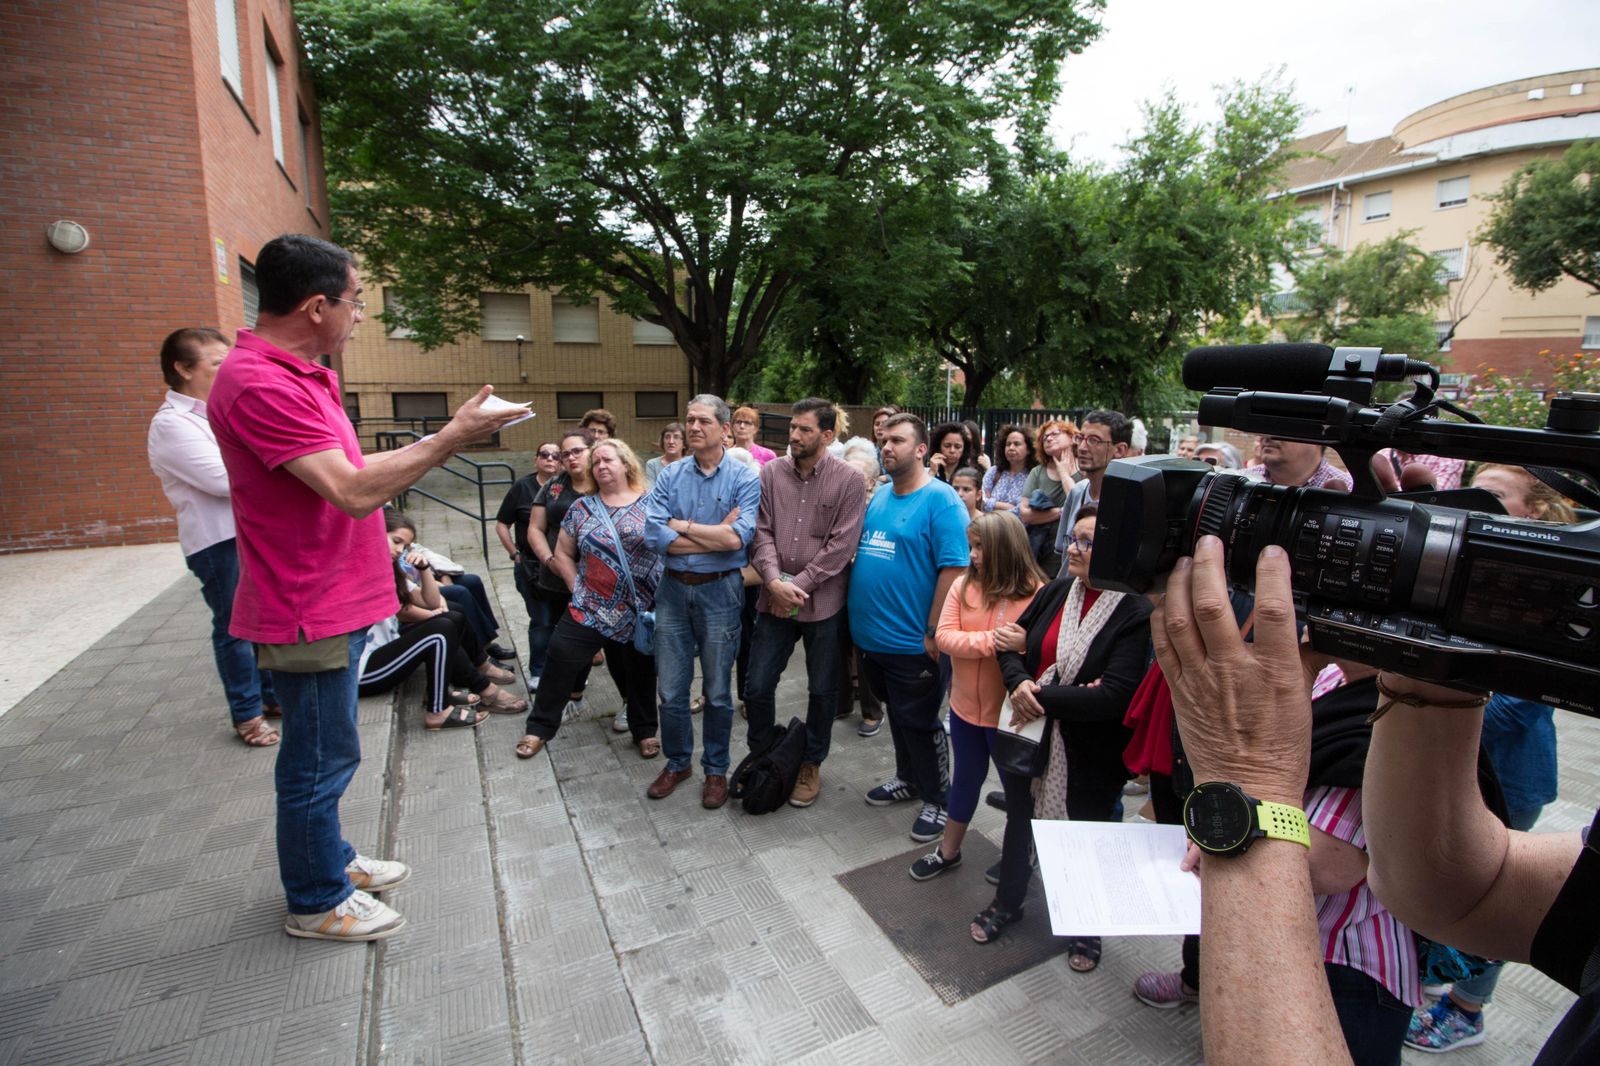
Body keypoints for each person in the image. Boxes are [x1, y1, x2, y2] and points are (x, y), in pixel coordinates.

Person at [1150, 537, 1600, 1066]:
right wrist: (1434, 680)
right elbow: (1472, 888)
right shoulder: (1332, 680)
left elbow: (1344, 865)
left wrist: (1245, 790)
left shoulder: (1349, 703)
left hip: (1350, 965)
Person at [208, 233, 526, 942]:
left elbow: (346, 472)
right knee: (321, 758)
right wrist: (451, 437)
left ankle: (333, 860)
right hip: (307, 606)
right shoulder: (259, 381)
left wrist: (445, 437)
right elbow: (352, 492)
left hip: (335, 596)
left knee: (332, 750)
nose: (360, 315)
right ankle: (317, 898)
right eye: (355, 301)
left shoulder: (300, 375)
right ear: (317, 306)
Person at [1403, 464, 1576, 1054]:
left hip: (1511, 780)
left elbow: (1514, 711)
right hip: (1460, 771)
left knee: (1488, 894)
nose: (1475, 505)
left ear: (1536, 514)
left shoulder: (1545, 592)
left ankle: (1467, 1008)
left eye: (1495, 497)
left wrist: (1426, 700)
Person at [997, 507, 1152, 966]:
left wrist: (1039, 693)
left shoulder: (1134, 611)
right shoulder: (1059, 590)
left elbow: (1115, 697)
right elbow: (1011, 643)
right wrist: (1017, 683)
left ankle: (1087, 926)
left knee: (1088, 838)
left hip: (1091, 754)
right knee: (1019, 823)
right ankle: (1006, 903)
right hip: (1034, 740)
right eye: (1073, 539)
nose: (1072, 549)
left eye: (1086, 542)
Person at [147, 326, 280, 748]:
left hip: (251, 533)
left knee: (265, 622)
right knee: (235, 629)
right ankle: (247, 715)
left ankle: (272, 696)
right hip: (218, 541)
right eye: (217, 364)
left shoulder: (219, 412)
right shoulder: (171, 424)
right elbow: (223, 480)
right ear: (183, 369)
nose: (228, 372)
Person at [910, 517, 1043, 921]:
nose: (972, 555)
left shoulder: (1040, 593)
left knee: (1018, 794)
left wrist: (1025, 645)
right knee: (966, 778)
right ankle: (948, 851)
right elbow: (945, 638)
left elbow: (1043, 649)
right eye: (971, 546)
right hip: (965, 709)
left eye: (980, 547)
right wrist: (999, 643)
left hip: (1011, 718)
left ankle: (1022, 856)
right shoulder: (962, 585)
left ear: (1005, 548)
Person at [847, 413, 970, 842]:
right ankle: (909, 779)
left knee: (920, 722)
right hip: (872, 639)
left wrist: (934, 631)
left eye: (897, 440)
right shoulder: (880, 496)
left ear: (921, 450)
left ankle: (939, 799)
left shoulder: (942, 501)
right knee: (900, 718)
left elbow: (954, 569)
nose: (887, 447)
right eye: (884, 440)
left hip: (913, 643)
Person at [744, 398, 868, 807]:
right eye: (792, 428)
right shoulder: (771, 472)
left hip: (823, 604)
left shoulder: (849, 479)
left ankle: (811, 762)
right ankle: (763, 755)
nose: (794, 436)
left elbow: (841, 545)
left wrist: (796, 586)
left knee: (822, 689)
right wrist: (775, 583)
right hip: (773, 599)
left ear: (827, 435)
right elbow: (760, 530)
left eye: (805, 430)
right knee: (757, 686)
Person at [642, 394, 762, 808]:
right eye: (689, 420)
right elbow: (654, 537)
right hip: (672, 591)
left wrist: (682, 527)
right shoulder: (670, 475)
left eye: (702, 421)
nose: (692, 427)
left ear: (724, 429)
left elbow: (737, 540)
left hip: (720, 592)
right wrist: (707, 534)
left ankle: (715, 769)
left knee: (717, 691)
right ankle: (678, 762)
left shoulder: (744, 477)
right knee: (672, 690)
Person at [516, 439, 661, 761]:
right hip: (592, 605)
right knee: (560, 655)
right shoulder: (582, 508)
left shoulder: (653, 502)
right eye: (596, 463)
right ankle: (539, 727)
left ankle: (645, 731)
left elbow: (669, 547)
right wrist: (576, 587)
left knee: (640, 670)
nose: (600, 467)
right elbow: (563, 553)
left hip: (639, 609)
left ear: (626, 463)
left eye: (607, 460)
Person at [358, 511, 525, 728]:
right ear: (375, 533)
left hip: (385, 646)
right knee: (440, 629)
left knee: (452, 615)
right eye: (396, 541)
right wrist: (433, 615)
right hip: (364, 671)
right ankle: (440, 710)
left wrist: (424, 568)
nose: (399, 550)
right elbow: (404, 610)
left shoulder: (387, 568)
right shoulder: (363, 571)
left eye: (405, 546)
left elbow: (431, 601)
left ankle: (467, 677)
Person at [522, 431, 598, 720]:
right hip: (555, 577)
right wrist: (549, 559)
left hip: (597, 581)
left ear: (592, 450)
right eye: (566, 453)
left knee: (591, 642)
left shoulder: (603, 482)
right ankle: (562, 697)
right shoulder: (554, 485)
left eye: (577, 451)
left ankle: (577, 692)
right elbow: (535, 528)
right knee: (561, 642)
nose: (570, 458)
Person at [495, 441, 564, 681]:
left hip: (564, 566)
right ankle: (538, 672)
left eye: (556, 455)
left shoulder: (567, 487)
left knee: (565, 620)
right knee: (542, 619)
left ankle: (566, 669)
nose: (550, 459)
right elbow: (502, 523)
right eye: (544, 454)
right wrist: (514, 553)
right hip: (531, 566)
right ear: (536, 459)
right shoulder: (522, 487)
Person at [1054, 410, 1133, 577]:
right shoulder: (1077, 492)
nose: (1082, 447)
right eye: (1080, 438)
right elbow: (1063, 557)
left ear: (1119, 450)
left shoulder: (1129, 502)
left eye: (1093, 440)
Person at [1018, 419, 1076, 574]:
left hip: (1071, 551)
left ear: (1071, 437)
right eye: (1045, 437)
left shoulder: (1084, 470)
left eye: (1055, 433)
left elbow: (1077, 503)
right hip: (1041, 552)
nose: (1049, 438)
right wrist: (1063, 512)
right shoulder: (1038, 472)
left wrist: (1064, 473)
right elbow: (1025, 514)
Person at [1245, 435, 1353, 491]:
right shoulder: (1241, 481)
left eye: (1281, 427)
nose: (1267, 437)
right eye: (1264, 426)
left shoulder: (1349, 490)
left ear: (1318, 438)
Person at [981, 424, 1034, 515]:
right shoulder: (994, 472)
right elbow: (981, 500)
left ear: (1029, 449)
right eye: (1008, 444)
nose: (1011, 448)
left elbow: (1022, 513)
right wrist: (1008, 506)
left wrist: (992, 503)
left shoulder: (1033, 476)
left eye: (1017, 444)